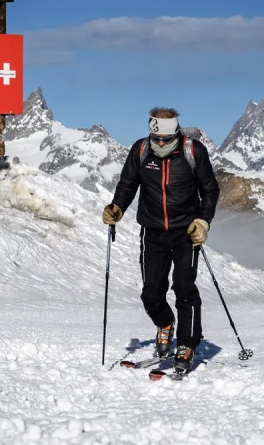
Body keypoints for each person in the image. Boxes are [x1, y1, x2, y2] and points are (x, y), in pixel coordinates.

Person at [102, 107, 220, 373]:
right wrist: (117, 207)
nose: (162, 144)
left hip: (185, 232)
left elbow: (210, 189)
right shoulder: (141, 150)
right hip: (152, 232)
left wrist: (202, 221)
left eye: (167, 139)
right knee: (151, 293)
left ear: (176, 132)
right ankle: (165, 324)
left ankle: (188, 345)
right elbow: (128, 184)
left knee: (184, 288)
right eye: (157, 139)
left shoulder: (194, 152)